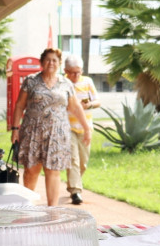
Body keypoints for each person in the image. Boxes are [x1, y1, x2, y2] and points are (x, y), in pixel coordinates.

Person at [11, 48, 91, 206]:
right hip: (32, 132)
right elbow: (20, 105)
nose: (51, 63)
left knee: (53, 171)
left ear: (60, 63)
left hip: (57, 134)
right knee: (31, 170)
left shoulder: (66, 83)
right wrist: (15, 129)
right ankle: (27, 207)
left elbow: (75, 107)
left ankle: (52, 212)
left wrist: (86, 128)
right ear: (41, 62)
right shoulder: (31, 81)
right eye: (47, 60)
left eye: (54, 60)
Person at [64, 55, 100, 205]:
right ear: (65, 71)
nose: (76, 76)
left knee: (83, 162)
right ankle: (75, 191)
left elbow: (98, 101)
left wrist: (88, 105)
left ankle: (74, 183)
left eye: (78, 72)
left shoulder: (88, 82)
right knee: (73, 160)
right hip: (68, 128)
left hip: (85, 128)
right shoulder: (63, 83)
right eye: (72, 72)